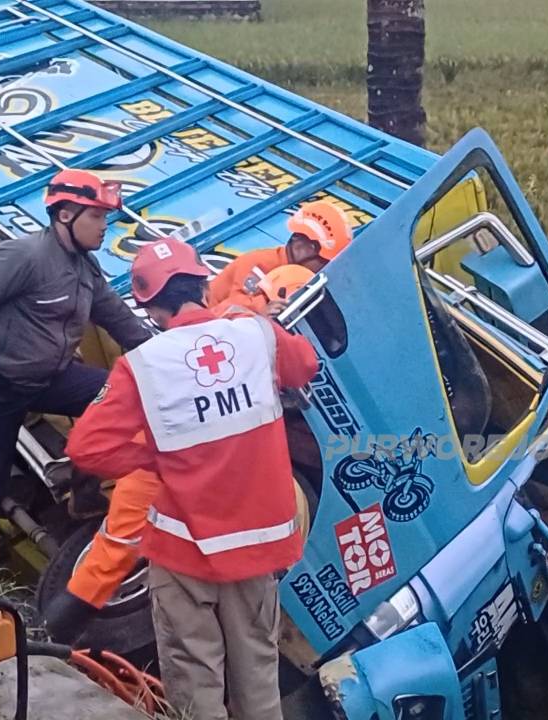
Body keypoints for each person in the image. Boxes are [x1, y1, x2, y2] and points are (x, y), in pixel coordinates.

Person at [51, 237, 319, 719]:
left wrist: (154, 457)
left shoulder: (144, 366)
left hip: (185, 548)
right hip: (258, 546)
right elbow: (305, 366)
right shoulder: (255, 333)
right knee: (258, 678)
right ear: (202, 283)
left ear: (151, 308)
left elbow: (86, 447)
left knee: (196, 684)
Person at [0, 169, 153, 577]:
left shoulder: (85, 270)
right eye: (97, 217)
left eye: (106, 218)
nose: (105, 227)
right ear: (66, 214)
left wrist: (170, 357)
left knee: (118, 393)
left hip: (46, 377)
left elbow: (121, 321)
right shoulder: (25, 257)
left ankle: (83, 493)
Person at [208, 200, 351, 316]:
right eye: (323, 262)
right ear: (302, 249)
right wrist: (261, 309)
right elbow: (226, 311)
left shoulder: (292, 274)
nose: (323, 269)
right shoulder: (260, 266)